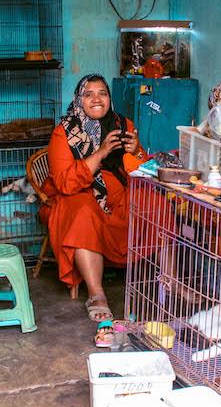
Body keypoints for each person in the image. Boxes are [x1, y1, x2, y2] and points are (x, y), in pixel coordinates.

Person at [43, 75, 145, 327]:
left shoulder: (122, 123)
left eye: (102, 93)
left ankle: (170, 280)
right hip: (75, 194)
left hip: (116, 192)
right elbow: (65, 183)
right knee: (83, 212)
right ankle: (97, 294)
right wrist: (101, 153)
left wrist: (136, 152)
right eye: (89, 94)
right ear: (79, 100)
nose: (97, 99)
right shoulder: (63, 133)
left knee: (154, 201)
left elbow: (142, 172)